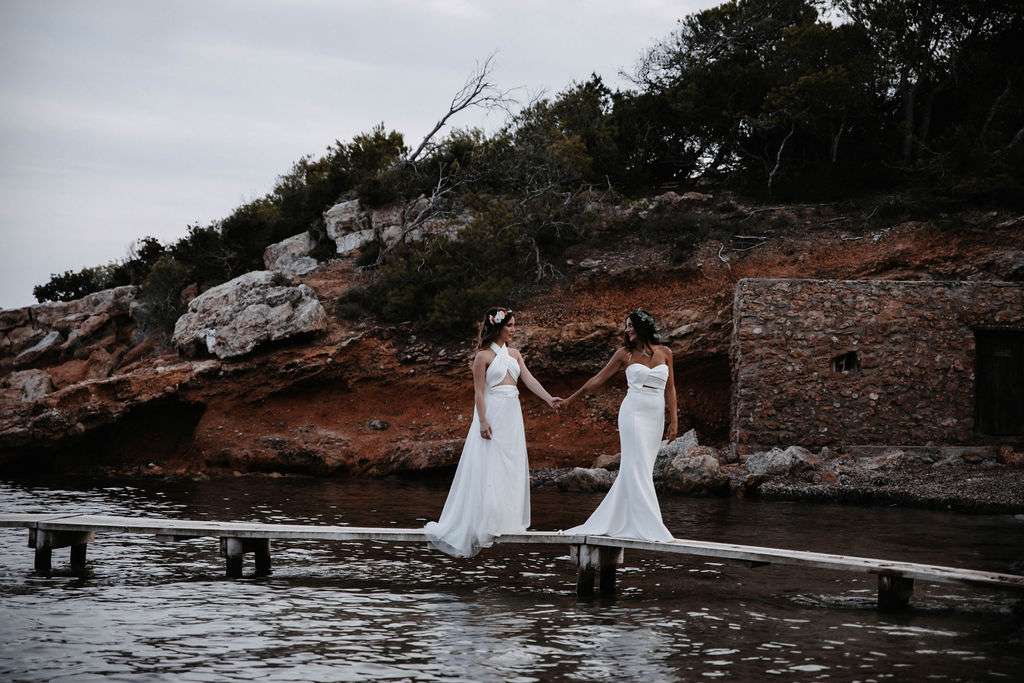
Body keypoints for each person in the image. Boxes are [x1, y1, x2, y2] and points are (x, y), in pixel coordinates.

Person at [425, 307, 562, 557]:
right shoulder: (483, 356)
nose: (513, 329)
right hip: (493, 411)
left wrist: (548, 398)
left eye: (514, 325)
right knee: (490, 463)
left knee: (510, 463)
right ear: (498, 327)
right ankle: (486, 520)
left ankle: (505, 519)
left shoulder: (515, 354)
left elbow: (529, 380)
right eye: (510, 325)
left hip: (512, 412)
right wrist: (483, 421)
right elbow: (478, 391)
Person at [560, 308, 676, 541]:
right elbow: (598, 379)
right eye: (626, 327)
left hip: (655, 415)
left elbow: (670, 388)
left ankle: (625, 520)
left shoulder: (666, 353)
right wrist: (571, 399)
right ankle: (651, 525)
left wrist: (674, 419)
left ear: (643, 327)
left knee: (643, 467)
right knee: (636, 465)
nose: (627, 330)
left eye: (631, 326)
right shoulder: (624, 354)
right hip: (633, 412)